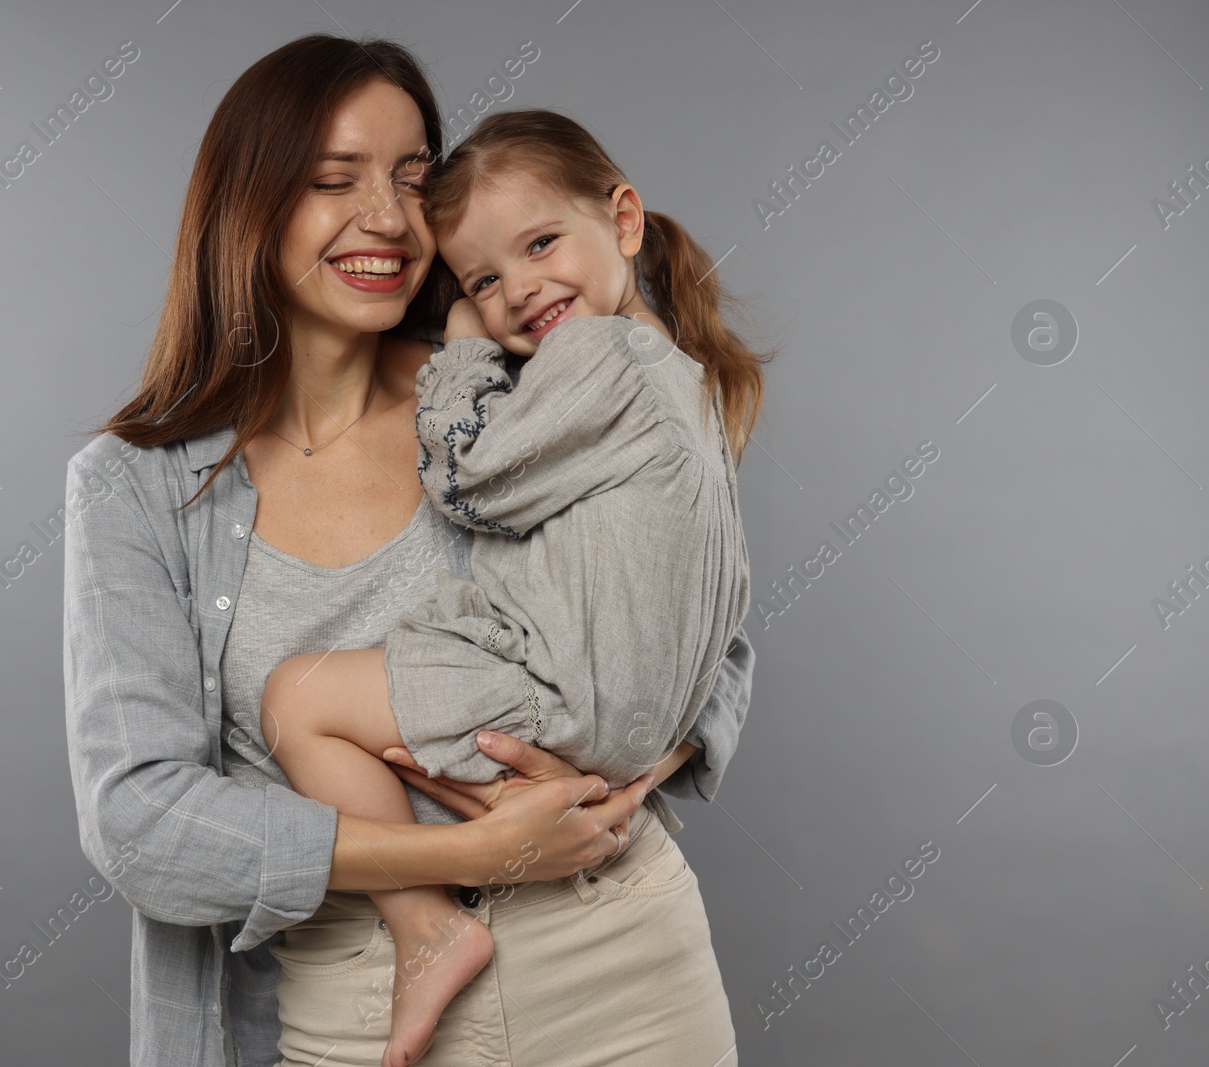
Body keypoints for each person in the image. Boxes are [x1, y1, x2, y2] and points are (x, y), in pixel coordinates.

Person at [61, 33, 763, 1067]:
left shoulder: (507, 379)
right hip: (360, 1003)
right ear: (248, 206)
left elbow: (711, 625)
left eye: (410, 177)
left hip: (619, 959)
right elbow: (138, 821)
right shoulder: (136, 485)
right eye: (333, 180)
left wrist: (623, 769)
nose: (387, 219)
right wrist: (466, 852)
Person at [258, 107, 759, 1067]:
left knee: (298, 697)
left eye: (540, 245)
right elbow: (720, 605)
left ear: (623, 219)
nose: (520, 291)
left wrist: (461, 341)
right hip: (625, 741)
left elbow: (465, 476)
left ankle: (427, 927)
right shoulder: (692, 385)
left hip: (552, 709)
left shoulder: (589, 358)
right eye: (484, 280)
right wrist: (656, 747)